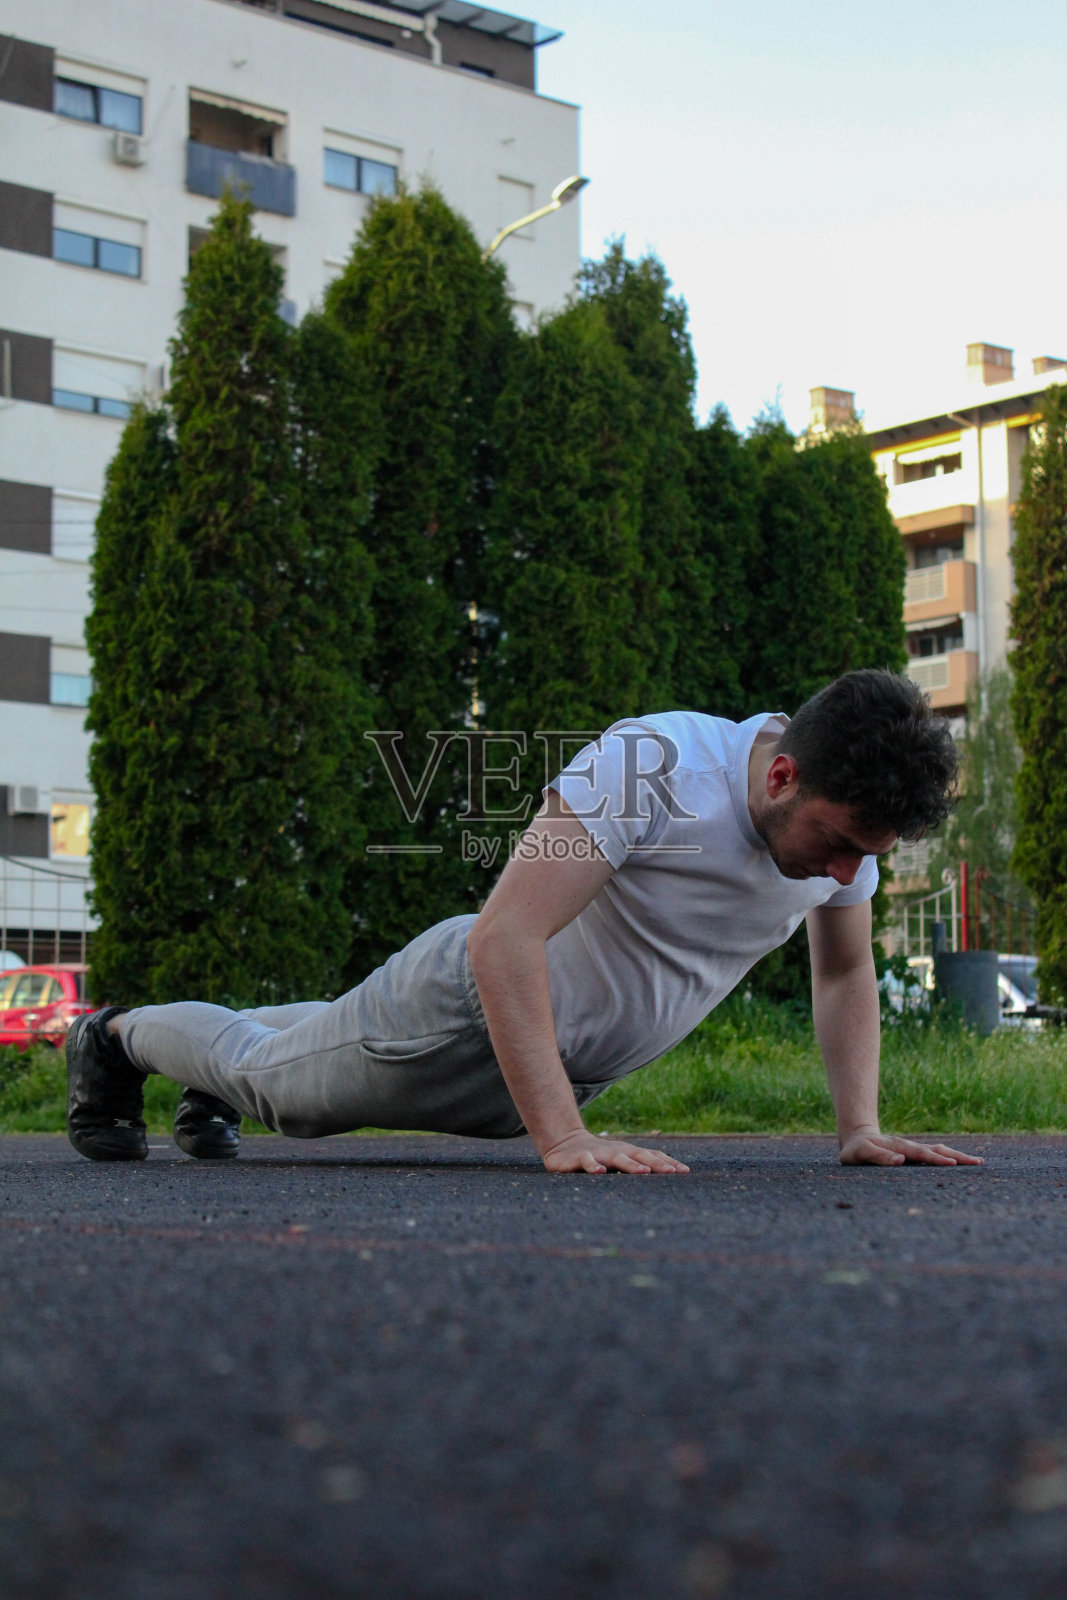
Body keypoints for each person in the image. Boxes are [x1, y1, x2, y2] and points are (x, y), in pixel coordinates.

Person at [67, 668, 982, 1173]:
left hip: (544, 1070)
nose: (845, 874)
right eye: (838, 844)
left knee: (303, 1047)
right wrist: (564, 1138)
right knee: (275, 1089)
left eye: (869, 854)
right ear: (781, 777)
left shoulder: (840, 832)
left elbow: (843, 973)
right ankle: (116, 1038)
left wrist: (857, 1127)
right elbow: (502, 936)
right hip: (461, 1015)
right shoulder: (651, 762)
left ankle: (198, 1059)